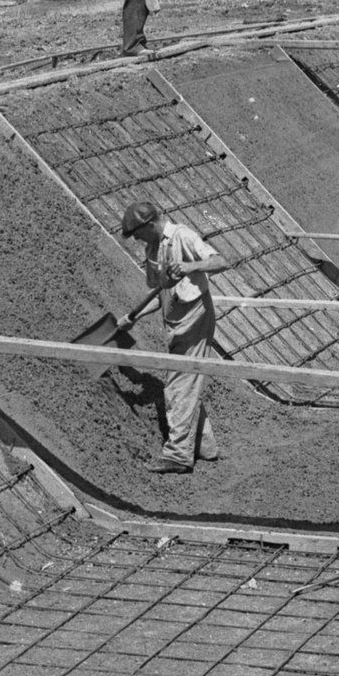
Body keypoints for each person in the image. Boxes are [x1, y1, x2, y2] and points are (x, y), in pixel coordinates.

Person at [120, 198, 231, 473]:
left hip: (195, 319)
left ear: (149, 224)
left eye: (137, 233)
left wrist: (190, 267)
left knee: (178, 385)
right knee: (187, 381)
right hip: (175, 322)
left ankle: (179, 455)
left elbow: (221, 261)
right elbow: (159, 294)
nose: (136, 239)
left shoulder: (183, 236)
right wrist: (132, 318)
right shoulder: (152, 249)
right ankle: (205, 447)